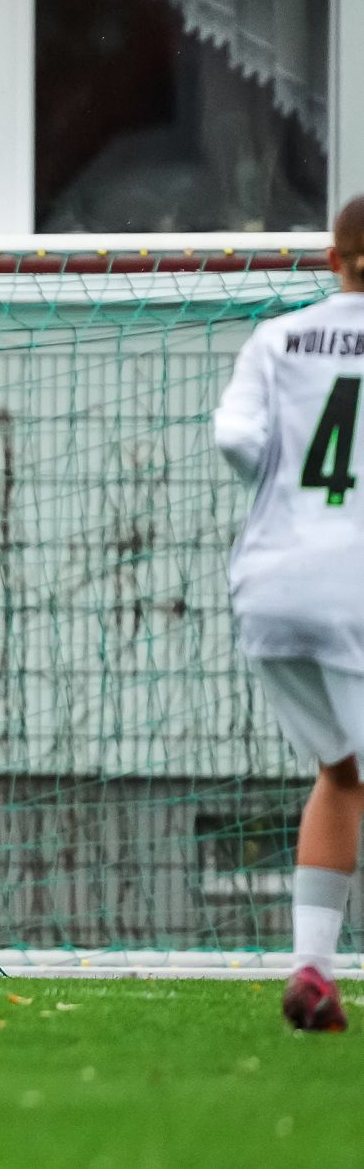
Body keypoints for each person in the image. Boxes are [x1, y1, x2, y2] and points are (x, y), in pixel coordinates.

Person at [213, 194, 364, 1031]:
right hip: (355, 584)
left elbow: (235, 437)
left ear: (334, 256)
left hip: (271, 586)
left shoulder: (278, 338)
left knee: (341, 773)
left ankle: (312, 969)